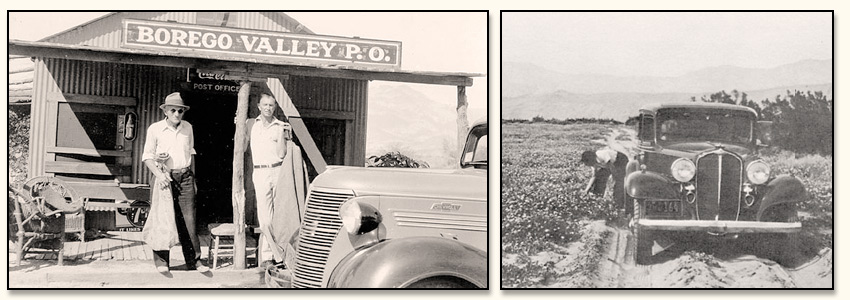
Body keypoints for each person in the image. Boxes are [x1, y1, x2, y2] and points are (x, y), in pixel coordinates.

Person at [141, 92, 208, 273]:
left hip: (185, 177)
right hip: (163, 177)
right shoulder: (155, 129)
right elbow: (147, 157)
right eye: (173, 110)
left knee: (189, 219)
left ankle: (195, 261)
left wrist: (193, 178)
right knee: (162, 219)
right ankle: (162, 262)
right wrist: (159, 172)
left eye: (180, 110)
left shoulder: (188, 128)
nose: (177, 114)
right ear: (166, 111)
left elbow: (191, 154)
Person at [247, 93, 291, 269]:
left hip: (278, 170)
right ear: (259, 106)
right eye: (264, 105)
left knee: (278, 216)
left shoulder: (280, 126)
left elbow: (282, 153)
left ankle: (270, 257)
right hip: (260, 172)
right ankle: (273, 255)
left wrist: (281, 134)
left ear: (275, 107)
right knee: (265, 219)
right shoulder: (251, 124)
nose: (268, 108)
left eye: (271, 105)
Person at [581, 147, 630, 213]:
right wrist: (586, 190)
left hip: (620, 160)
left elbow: (611, 167)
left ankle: (619, 205)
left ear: (590, 159)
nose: (586, 165)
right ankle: (598, 197)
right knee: (599, 178)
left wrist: (614, 178)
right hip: (609, 165)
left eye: (586, 163)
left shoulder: (601, 154)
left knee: (619, 182)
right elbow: (594, 176)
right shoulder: (593, 164)